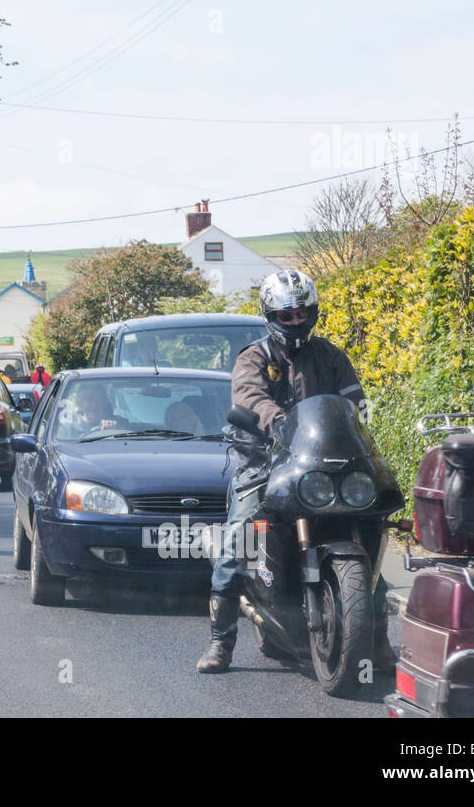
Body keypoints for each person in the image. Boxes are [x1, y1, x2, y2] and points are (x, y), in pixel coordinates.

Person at [196, 269, 390, 675]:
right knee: (239, 538)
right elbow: (250, 397)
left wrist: (361, 434)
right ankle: (220, 642)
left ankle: (380, 640)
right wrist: (277, 419)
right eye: (287, 316)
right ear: (270, 316)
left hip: (321, 465)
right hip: (264, 460)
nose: (296, 321)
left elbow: (354, 407)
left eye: (303, 313)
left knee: (372, 523)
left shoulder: (333, 357)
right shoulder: (254, 357)